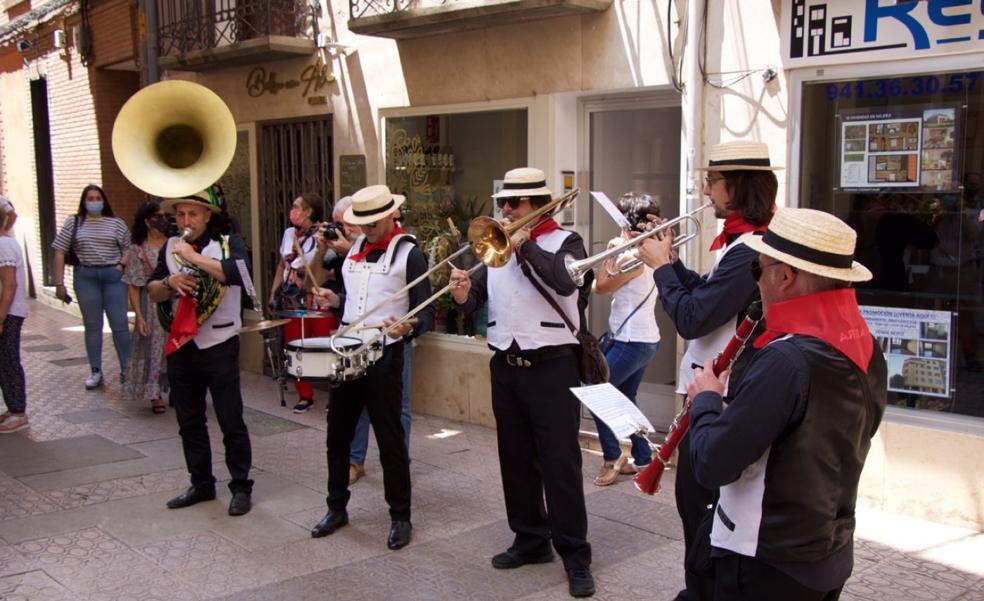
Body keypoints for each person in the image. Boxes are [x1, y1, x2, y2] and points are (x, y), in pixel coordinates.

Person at [686, 207, 887, 601]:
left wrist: (706, 399)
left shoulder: (786, 360)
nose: (757, 284)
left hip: (766, 560)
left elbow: (712, 463)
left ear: (785, 276)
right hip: (827, 551)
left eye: (757, 272)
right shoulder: (864, 344)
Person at [637, 140, 777, 601]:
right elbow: (710, 298)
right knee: (698, 507)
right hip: (712, 388)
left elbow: (694, 317)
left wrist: (660, 269)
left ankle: (702, 592)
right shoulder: (740, 242)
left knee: (702, 509)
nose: (706, 189)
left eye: (712, 181)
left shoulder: (749, 247)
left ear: (736, 186)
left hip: (720, 394)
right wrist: (672, 263)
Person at [449, 167, 595, 598]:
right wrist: (461, 292)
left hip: (553, 366)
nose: (506, 210)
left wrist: (524, 244)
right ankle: (531, 539)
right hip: (505, 365)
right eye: (503, 204)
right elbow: (475, 299)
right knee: (515, 458)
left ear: (537, 205)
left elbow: (564, 279)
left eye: (515, 204)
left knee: (560, 464)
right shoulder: (493, 246)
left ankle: (575, 554)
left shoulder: (565, 242)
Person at [308, 184, 433, 551]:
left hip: (384, 356)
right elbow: (358, 302)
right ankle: (336, 507)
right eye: (362, 222)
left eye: (374, 221)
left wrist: (409, 326)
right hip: (347, 352)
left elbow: (426, 312)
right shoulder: (352, 253)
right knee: (337, 435)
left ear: (390, 215)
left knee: (390, 439)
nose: (368, 228)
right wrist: (335, 300)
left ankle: (400, 516)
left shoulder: (410, 254)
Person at [147, 189, 254, 517]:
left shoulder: (228, 244)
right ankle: (201, 483)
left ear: (207, 216)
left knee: (229, 417)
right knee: (189, 419)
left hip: (219, 344)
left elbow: (238, 276)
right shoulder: (168, 247)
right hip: (181, 345)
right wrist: (170, 282)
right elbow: (151, 291)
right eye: (180, 215)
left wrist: (192, 258)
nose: (185, 221)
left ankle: (240, 486)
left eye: (192, 214)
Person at [589, 193, 662, 486]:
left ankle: (613, 457)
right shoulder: (651, 249)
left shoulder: (633, 256)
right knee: (626, 398)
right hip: (643, 338)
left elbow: (600, 286)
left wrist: (610, 250)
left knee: (598, 395)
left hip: (632, 340)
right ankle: (644, 458)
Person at [51, 184, 132, 389]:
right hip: (86, 276)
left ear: (104, 201)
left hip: (113, 276)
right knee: (92, 326)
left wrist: (120, 265)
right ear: (84, 201)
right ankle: (95, 371)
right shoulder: (75, 222)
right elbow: (59, 251)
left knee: (120, 325)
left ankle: (127, 370)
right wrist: (59, 284)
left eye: (98, 198)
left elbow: (129, 248)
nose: (94, 202)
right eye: (90, 198)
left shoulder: (116, 223)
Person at [269, 193, 336, 413]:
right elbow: (282, 265)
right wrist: (273, 293)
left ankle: (334, 394)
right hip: (291, 298)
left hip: (314, 297)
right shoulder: (289, 234)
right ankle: (304, 395)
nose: (293, 210)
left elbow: (325, 269)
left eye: (297, 207)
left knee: (326, 346)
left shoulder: (322, 235)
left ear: (309, 212)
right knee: (295, 345)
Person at [122, 201, 170, 414]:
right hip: (151, 306)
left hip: (176, 303)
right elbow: (133, 286)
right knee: (155, 348)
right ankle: (154, 393)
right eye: (157, 217)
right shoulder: (137, 249)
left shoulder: (175, 244)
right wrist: (139, 317)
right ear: (146, 221)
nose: (162, 220)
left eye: (164, 216)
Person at [0, 196, 29, 434]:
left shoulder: (4, 245)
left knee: (9, 360)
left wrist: (1, 317)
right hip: (5, 313)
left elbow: (9, 285)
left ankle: (18, 411)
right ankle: (12, 408)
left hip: (8, 313)